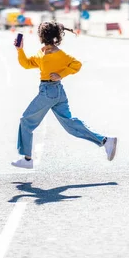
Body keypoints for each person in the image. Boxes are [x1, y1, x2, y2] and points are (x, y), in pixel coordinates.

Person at [11, 21, 118, 169]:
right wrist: (20, 50)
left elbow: (77, 64)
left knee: (26, 121)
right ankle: (106, 141)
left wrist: (61, 74)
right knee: (70, 124)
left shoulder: (58, 54)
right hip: (56, 92)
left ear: (42, 35)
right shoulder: (42, 51)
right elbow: (27, 64)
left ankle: (27, 159)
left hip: (49, 91)